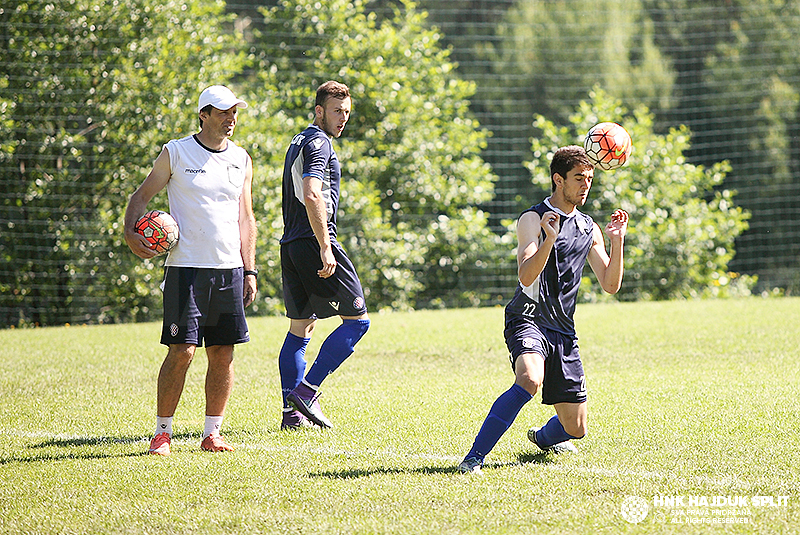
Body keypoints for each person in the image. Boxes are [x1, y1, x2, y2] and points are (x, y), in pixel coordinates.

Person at [458, 145, 628, 474]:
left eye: (590, 179)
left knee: (576, 428)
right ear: (557, 179)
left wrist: (617, 240)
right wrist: (548, 238)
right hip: (528, 319)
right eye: (579, 178)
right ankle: (473, 458)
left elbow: (610, 283)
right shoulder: (533, 218)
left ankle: (542, 437)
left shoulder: (589, 227)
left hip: (563, 330)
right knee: (529, 379)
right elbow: (525, 275)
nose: (585, 185)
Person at [124, 85, 257, 455]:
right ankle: (162, 433)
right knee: (182, 350)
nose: (231, 119)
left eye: (234, 113)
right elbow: (141, 197)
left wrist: (250, 270)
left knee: (223, 352)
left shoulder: (242, 159)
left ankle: (212, 433)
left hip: (229, 268)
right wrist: (132, 236)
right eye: (223, 112)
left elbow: (246, 217)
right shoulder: (176, 151)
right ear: (204, 114)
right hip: (186, 269)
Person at [277, 80, 370, 430]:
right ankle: (307, 391)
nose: (342, 118)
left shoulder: (298, 140)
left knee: (301, 327)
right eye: (336, 111)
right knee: (359, 321)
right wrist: (325, 246)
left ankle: (292, 415)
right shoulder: (319, 143)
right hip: (315, 241)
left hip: (291, 243)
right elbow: (313, 194)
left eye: (346, 112)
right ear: (319, 111)